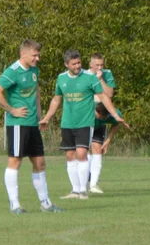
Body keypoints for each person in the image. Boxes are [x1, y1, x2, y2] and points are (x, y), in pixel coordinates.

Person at [40, 50, 129, 199]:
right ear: (66, 64)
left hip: (85, 123)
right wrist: (47, 118)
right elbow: (56, 100)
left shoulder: (90, 78)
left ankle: (83, 191)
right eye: (74, 64)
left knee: (81, 154)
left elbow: (103, 96)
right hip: (67, 123)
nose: (77, 66)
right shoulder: (61, 78)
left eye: (79, 63)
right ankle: (75, 191)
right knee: (70, 155)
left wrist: (114, 115)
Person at [0, 39, 63, 214]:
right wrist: (11, 110)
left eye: (38, 54)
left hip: (32, 124)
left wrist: (39, 113)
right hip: (18, 124)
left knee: (40, 162)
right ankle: (14, 204)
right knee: (15, 161)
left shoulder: (34, 70)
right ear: (23, 54)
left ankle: (46, 203)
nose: (38, 58)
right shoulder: (12, 72)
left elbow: (36, 89)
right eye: (34, 55)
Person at [88, 53, 118, 192]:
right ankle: (85, 178)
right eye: (97, 65)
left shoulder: (107, 74)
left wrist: (100, 80)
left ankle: (93, 184)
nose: (100, 67)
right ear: (91, 64)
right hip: (86, 115)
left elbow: (109, 94)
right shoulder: (84, 75)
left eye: (102, 64)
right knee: (81, 150)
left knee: (97, 148)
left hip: (101, 112)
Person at [88, 103, 120, 194]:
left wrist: (108, 140)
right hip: (84, 126)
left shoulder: (114, 114)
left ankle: (93, 185)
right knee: (83, 152)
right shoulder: (87, 109)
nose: (99, 118)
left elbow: (116, 124)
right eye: (98, 116)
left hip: (98, 128)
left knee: (98, 152)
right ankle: (85, 176)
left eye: (102, 118)